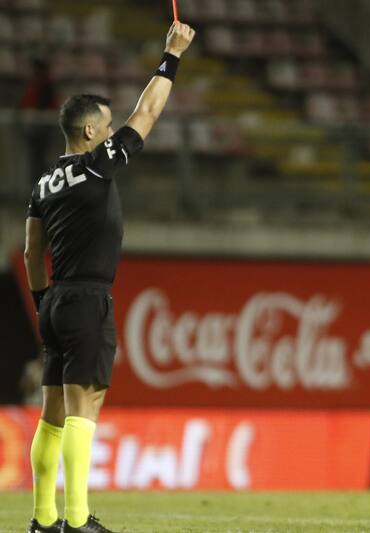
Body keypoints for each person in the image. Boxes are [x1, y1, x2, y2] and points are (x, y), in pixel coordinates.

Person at [23, 22, 195, 533]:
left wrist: (40, 304)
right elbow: (149, 112)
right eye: (107, 121)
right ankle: (76, 522)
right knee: (84, 406)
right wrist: (171, 56)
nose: (114, 125)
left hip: (54, 299)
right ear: (92, 132)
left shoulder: (43, 183)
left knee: (52, 412)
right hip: (87, 297)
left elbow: (33, 250)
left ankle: (42, 518)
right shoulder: (97, 166)